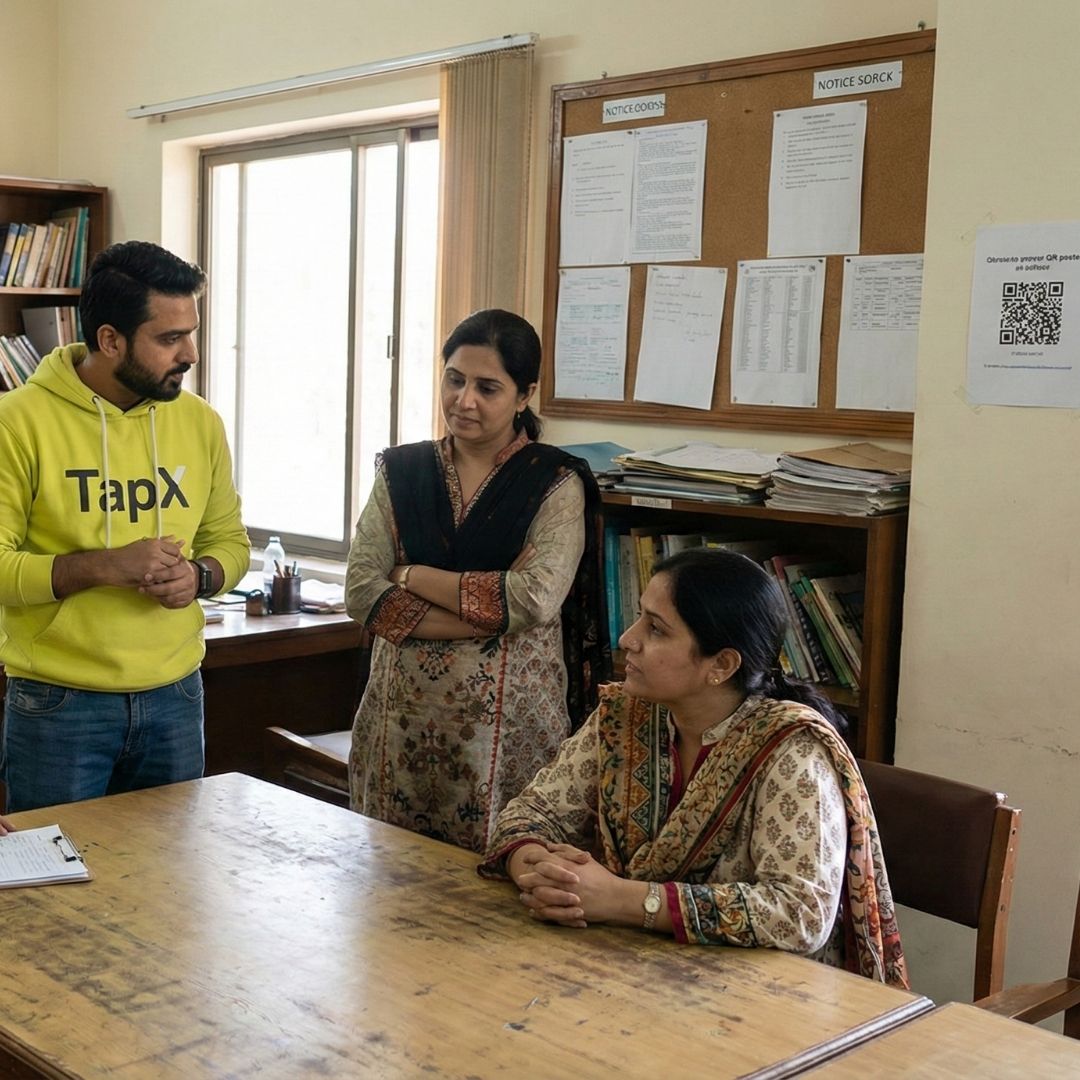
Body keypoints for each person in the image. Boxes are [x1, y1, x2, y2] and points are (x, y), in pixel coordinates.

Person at [479, 547, 908, 987]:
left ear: (721, 665)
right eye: (640, 617)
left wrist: (624, 900)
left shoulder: (791, 751)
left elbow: (799, 913)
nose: (628, 639)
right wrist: (542, 874)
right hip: (634, 967)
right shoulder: (626, 717)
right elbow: (529, 814)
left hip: (763, 994)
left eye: (656, 629)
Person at [345, 308, 610, 853]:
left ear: (524, 395)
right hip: (398, 727)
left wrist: (411, 574)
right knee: (388, 877)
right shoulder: (402, 472)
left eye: (487, 388)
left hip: (509, 734)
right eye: (454, 380)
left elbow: (533, 600)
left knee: (504, 877)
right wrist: (487, 614)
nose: (464, 401)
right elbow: (362, 591)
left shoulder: (555, 482)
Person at [0, 241, 250, 812]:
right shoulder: (16, 423)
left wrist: (200, 577)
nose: (191, 353)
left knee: (170, 869)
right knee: (56, 870)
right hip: (59, 703)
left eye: (191, 333)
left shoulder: (201, 423)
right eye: (170, 338)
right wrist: (103, 567)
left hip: (176, 694)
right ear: (110, 340)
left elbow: (230, 543)